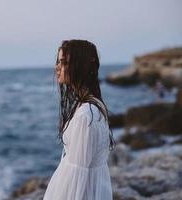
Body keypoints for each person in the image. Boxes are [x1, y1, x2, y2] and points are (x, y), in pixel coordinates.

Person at [43, 39, 116, 200]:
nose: (57, 67)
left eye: (63, 62)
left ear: (79, 66)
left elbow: (77, 177)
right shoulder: (92, 105)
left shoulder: (86, 115)